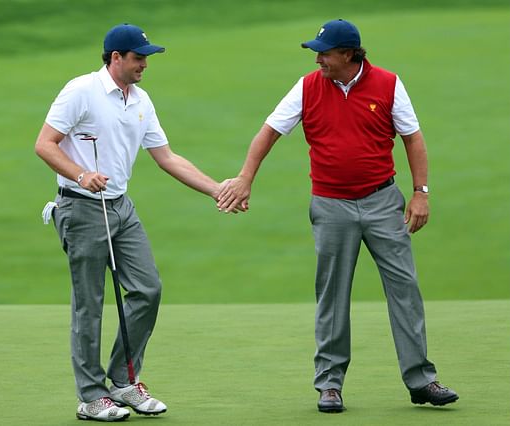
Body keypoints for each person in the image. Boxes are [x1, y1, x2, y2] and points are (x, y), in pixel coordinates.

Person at [216, 19, 459, 413]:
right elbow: (269, 132)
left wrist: (420, 193)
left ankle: (421, 381)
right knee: (332, 294)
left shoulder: (389, 84)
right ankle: (330, 385)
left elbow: (413, 138)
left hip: (383, 201)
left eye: (325, 53)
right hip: (330, 205)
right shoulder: (307, 86)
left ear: (349, 54)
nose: (318, 60)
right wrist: (245, 178)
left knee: (405, 290)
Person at [35, 23, 233, 422]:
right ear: (116, 58)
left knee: (148, 289)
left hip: (121, 208)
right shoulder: (81, 91)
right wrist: (80, 175)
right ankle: (91, 396)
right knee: (90, 304)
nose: (145, 64)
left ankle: (124, 380)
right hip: (82, 207)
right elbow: (44, 143)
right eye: (139, 57)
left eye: (146, 57)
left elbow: (168, 158)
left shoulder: (140, 100)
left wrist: (216, 189)